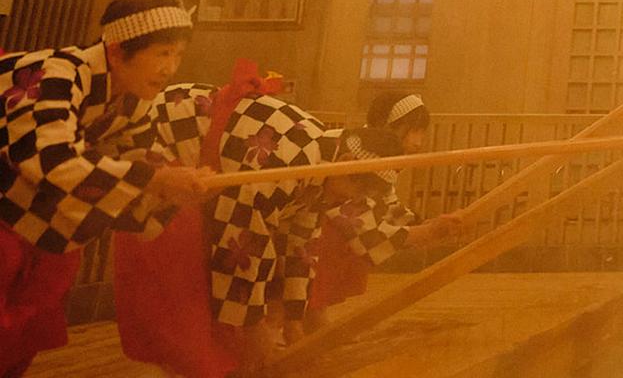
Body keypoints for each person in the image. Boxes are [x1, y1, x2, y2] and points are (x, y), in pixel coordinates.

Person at [115, 71, 407, 376]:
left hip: (202, 169)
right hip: (164, 141)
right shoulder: (294, 162)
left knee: (233, 295)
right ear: (347, 160)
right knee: (189, 276)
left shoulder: (325, 161)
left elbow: (301, 247)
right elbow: (242, 243)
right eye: (359, 190)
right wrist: (254, 331)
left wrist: (294, 322)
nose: (354, 199)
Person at [0, 0, 202, 376]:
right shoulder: (57, 72)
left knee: (25, 326)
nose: (170, 68)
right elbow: (52, 160)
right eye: (162, 53)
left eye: (178, 55)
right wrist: (156, 179)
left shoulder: (136, 101)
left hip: (37, 221)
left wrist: (180, 188)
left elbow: (141, 164)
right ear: (117, 49)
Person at [306, 93, 464, 317]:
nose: (418, 142)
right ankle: (307, 322)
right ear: (387, 125)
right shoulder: (357, 153)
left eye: (421, 132)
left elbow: (388, 205)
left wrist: (426, 225)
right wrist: (428, 231)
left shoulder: (377, 152)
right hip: (310, 226)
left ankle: (310, 319)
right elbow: (363, 228)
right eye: (412, 130)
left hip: (327, 227)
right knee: (322, 255)